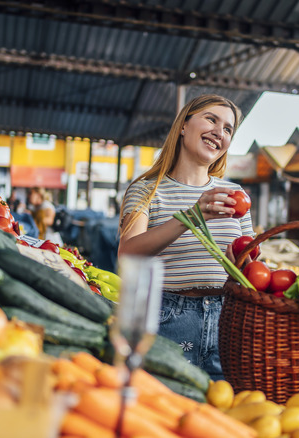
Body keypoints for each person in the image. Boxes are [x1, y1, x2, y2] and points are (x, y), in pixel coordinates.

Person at [118, 94, 253, 380]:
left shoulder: (235, 195)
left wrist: (245, 263)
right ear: (183, 125)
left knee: (224, 413)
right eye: (211, 119)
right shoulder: (147, 190)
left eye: (228, 129)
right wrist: (192, 216)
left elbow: (248, 266)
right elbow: (127, 254)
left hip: (227, 320)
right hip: (168, 318)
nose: (220, 131)